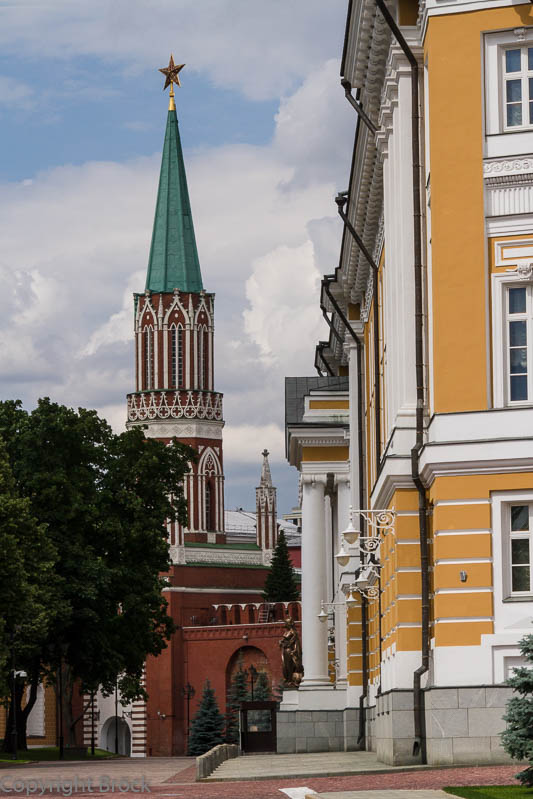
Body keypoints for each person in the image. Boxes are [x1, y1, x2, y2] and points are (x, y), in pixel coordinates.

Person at [279, 617, 303, 688]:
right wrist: (281, 643)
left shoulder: (293, 632)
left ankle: (291, 680)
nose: (284, 624)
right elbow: (284, 641)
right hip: (285, 651)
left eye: (286, 623)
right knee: (285, 666)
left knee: (290, 666)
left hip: (290, 651)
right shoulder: (286, 632)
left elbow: (296, 643)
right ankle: (288, 680)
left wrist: (294, 651)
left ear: (289, 624)